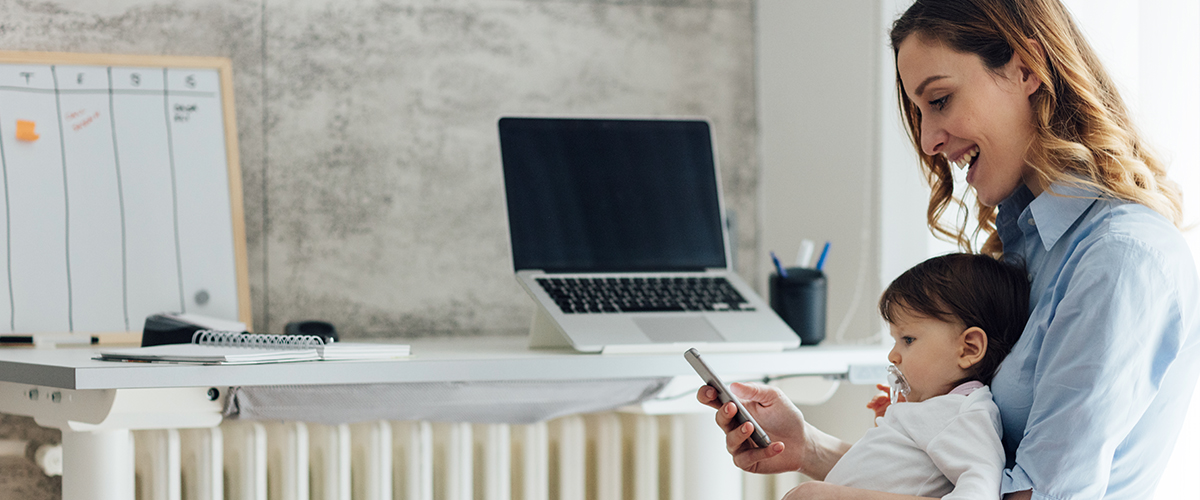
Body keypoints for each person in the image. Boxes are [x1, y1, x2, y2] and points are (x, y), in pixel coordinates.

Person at [698, 0, 1200, 499]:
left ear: (1026, 69)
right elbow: (963, 480)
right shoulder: (1031, 245)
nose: (927, 139)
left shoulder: (1118, 259)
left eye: (938, 101)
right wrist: (810, 448)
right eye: (918, 112)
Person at [796, 253, 1029, 499]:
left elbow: (980, 492)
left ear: (969, 348)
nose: (893, 356)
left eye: (908, 339)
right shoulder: (941, 410)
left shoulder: (963, 415)